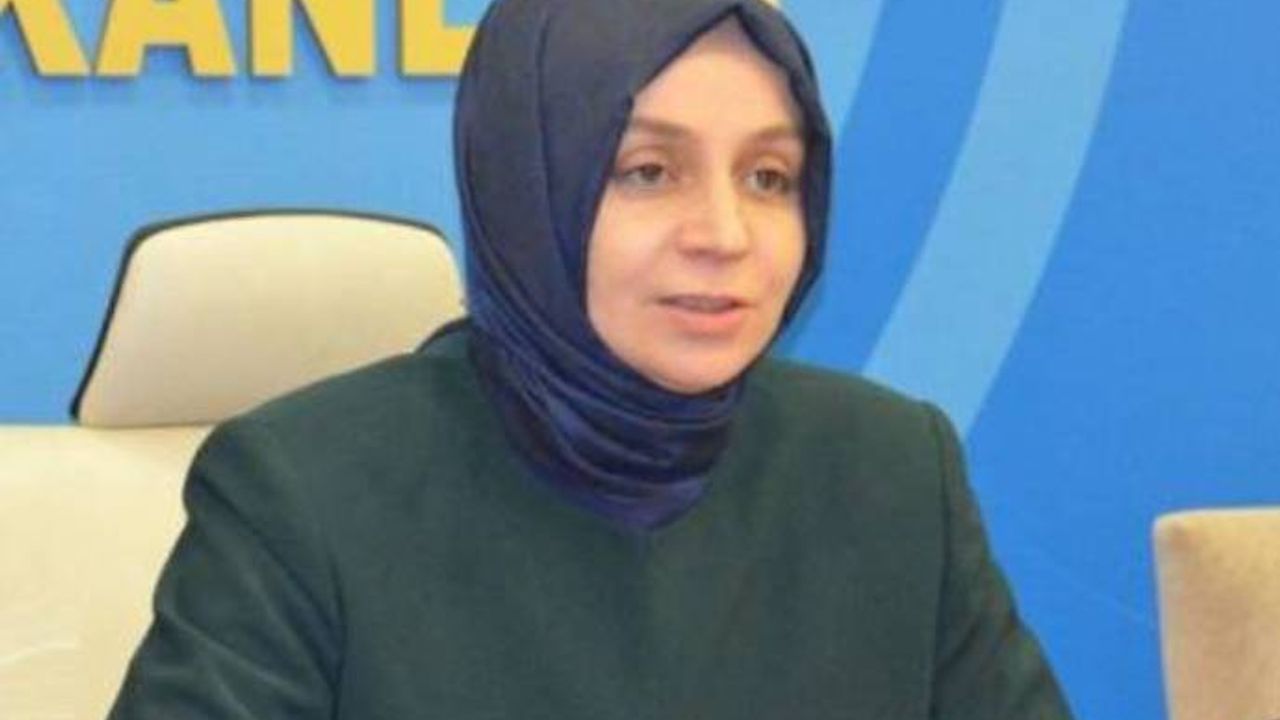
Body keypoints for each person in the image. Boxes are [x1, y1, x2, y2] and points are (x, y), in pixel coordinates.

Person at [108, 0, 1073, 717]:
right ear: (528, 186)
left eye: (768, 176)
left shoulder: (893, 472)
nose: (725, 233)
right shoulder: (302, 492)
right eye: (648, 171)